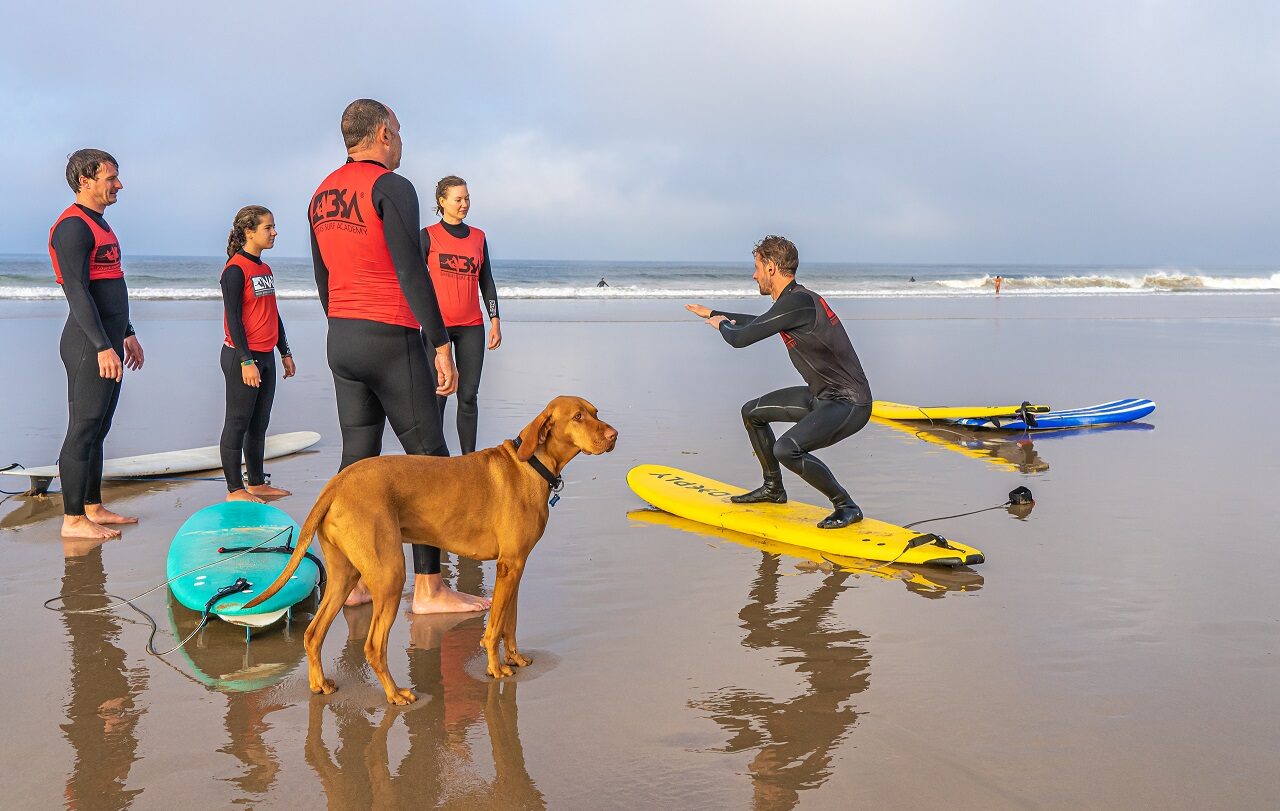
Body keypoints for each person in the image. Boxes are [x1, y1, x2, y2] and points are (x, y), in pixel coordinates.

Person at [310, 98, 488, 614]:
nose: (403, 141)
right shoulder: (392, 186)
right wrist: (438, 343)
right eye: (401, 131)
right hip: (390, 337)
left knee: (356, 463)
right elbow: (412, 270)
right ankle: (430, 589)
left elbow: (323, 273)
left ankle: (355, 584)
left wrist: (342, 324)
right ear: (384, 133)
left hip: (342, 336)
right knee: (431, 464)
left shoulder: (321, 193)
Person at [685, 235, 872, 529]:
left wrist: (720, 324)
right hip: (822, 396)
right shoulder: (795, 300)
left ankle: (846, 506)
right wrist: (713, 313)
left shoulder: (797, 302)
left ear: (771, 267)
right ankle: (773, 488)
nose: (754, 275)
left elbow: (741, 338)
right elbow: (759, 322)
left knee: (787, 448)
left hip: (849, 403)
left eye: (757, 267)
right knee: (752, 412)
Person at [48, 149, 145, 540]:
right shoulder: (72, 227)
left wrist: (127, 331)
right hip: (89, 344)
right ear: (85, 180)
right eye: (111, 178)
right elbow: (78, 292)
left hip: (108, 339)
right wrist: (103, 345)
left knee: (99, 428)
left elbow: (110, 284)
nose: (118, 184)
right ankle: (72, 519)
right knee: (83, 429)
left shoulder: (99, 224)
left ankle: (92, 506)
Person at [219, 205, 296, 503]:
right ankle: (234, 489)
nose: (275, 232)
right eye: (269, 227)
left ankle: (257, 482)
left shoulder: (264, 269)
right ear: (249, 232)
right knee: (237, 422)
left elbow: (272, 312)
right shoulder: (235, 270)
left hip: (265, 357)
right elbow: (234, 319)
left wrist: (284, 351)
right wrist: (246, 360)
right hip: (243, 358)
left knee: (259, 423)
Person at [421, 176, 500, 455]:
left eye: (467, 198)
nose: (464, 204)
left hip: (471, 328)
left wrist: (495, 321)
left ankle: (469, 460)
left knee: (468, 396)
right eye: (458, 199)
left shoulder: (478, 237)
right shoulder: (428, 235)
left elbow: (486, 280)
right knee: (439, 395)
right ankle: (434, 460)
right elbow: (413, 282)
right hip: (436, 329)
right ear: (442, 202)